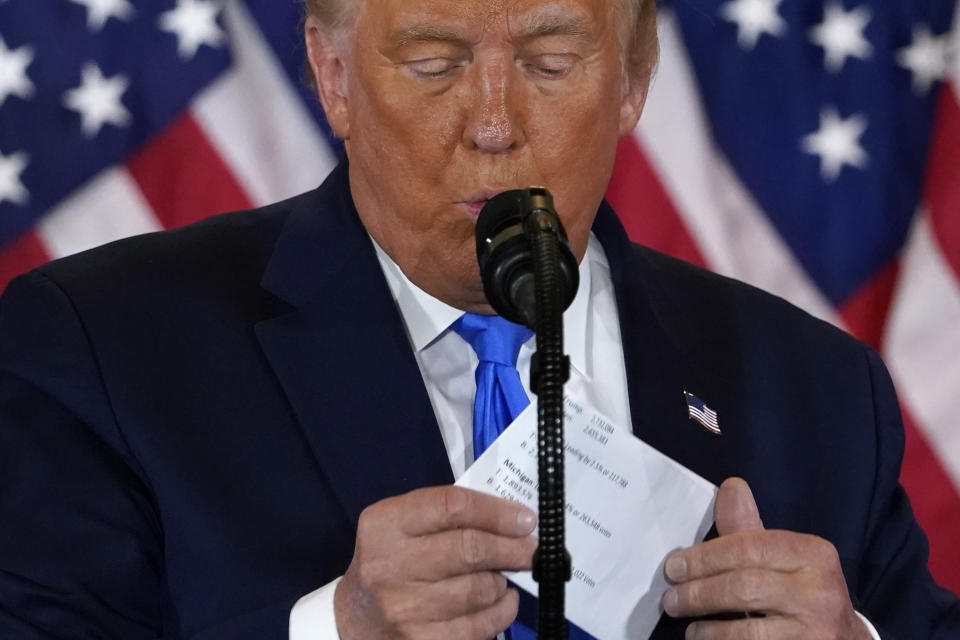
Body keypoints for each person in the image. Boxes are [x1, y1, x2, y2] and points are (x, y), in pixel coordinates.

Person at [0, 0, 956, 639]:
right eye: (431, 62)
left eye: (549, 61)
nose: (493, 122)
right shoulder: (101, 351)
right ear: (332, 75)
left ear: (631, 83)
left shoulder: (820, 389)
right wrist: (335, 630)